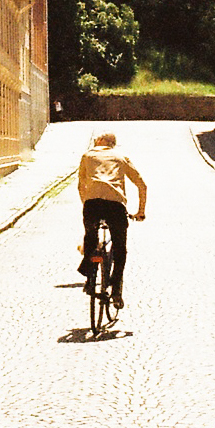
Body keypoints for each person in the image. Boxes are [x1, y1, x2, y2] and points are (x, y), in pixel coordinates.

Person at [77, 132, 147, 309]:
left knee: (90, 238)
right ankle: (116, 289)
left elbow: (81, 185)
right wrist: (140, 211)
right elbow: (142, 185)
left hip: (92, 205)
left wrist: (86, 204)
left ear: (101, 141)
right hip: (115, 207)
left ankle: (89, 276)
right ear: (113, 144)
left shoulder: (87, 155)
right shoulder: (121, 158)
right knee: (119, 249)